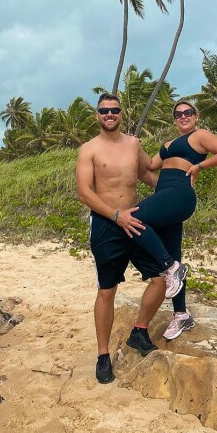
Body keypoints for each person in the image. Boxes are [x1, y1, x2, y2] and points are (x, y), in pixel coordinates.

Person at [76, 93, 184, 384]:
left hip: (137, 220)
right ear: (97, 115)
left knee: (162, 277)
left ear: (121, 114)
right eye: (104, 111)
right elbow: (84, 191)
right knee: (107, 291)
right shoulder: (89, 149)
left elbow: (148, 176)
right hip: (106, 224)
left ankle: (139, 330)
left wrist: (177, 191)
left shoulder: (133, 144)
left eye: (114, 110)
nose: (109, 115)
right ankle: (102, 355)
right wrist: (114, 215)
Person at [135, 100, 217, 341]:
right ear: (173, 119)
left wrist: (199, 165)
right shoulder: (168, 144)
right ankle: (181, 313)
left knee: (134, 218)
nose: (182, 116)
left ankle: (171, 268)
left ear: (196, 115)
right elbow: (148, 166)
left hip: (180, 194)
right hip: (164, 196)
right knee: (173, 251)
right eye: (178, 114)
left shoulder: (199, 135)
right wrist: (134, 146)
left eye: (187, 112)